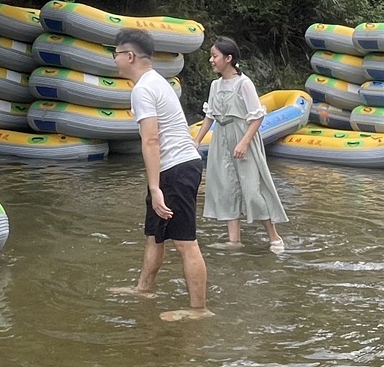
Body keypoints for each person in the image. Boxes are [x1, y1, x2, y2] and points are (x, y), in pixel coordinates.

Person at [109, 28, 211, 320]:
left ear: (129, 56)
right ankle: (144, 288)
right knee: (155, 235)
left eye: (116, 54)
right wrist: (155, 185)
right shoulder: (156, 82)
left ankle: (199, 310)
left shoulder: (143, 88)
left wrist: (155, 188)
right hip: (174, 167)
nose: (114, 60)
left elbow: (151, 140)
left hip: (177, 168)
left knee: (184, 241)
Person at [201, 36, 288, 251]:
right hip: (221, 139)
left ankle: (275, 237)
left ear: (228, 58)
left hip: (243, 137)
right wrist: (195, 141)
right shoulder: (215, 85)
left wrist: (243, 142)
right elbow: (210, 116)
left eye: (215, 56)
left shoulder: (244, 83)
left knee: (252, 188)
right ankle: (234, 240)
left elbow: (257, 116)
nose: (211, 60)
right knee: (226, 187)